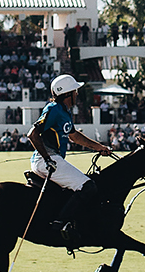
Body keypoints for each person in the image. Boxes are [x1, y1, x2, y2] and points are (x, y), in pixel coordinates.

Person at [30, 74, 114, 242]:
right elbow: (32, 134)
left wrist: (100, 148)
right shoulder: (53, 109)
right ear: (67, 93)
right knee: (87, 186)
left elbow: (74, 136)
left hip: (54, 160)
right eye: (75, 91)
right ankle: (61, 223)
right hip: (46, 161)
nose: (77, 94)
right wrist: (47, 158)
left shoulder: (65, 112)